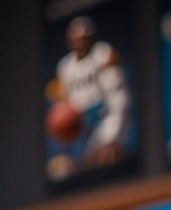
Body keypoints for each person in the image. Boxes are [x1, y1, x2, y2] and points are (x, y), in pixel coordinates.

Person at [51, 15, 131, 170]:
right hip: (81, 124)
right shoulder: (65, 66)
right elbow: (64, 100)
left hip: (104, 116)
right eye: (76, 37)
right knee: (78, 167)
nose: (80, 42)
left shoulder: (102, 53)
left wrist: (113, 131)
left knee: (110, 160)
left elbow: (118, 96)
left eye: (83, 37)